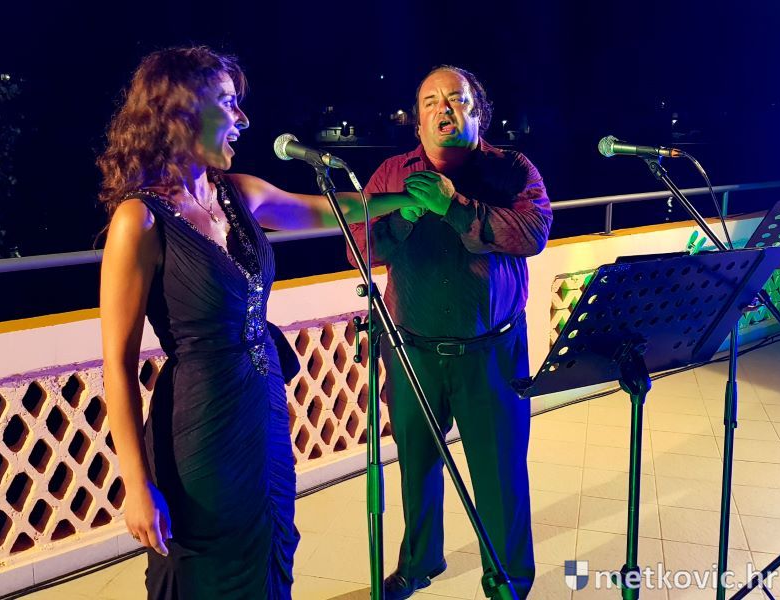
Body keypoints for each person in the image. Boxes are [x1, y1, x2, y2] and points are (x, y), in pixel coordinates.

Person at [98, 47, 418, 599]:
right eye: (228, 102)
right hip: (199, 426)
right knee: (205, 568)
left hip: (262, 407)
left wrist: (404, 199)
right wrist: (136, 484)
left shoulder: (239, 193)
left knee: (270, 543)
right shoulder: (140, 219)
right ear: (180, 111)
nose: (243, 118)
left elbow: (327, 210)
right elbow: (117, 365)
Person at [348, 65, 552, 599]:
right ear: (417, 122)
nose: (444, 108)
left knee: (500, 474)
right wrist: (407, 216)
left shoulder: (511, 170)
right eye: (430, 101)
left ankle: (508, 579)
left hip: (492, 353)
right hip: (411, 351)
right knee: (415, 466)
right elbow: (359, 248)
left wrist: (453, 207)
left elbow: (532, 233)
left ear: (477, 112)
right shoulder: (391, 174)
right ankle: (420, 562)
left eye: (456, 99)